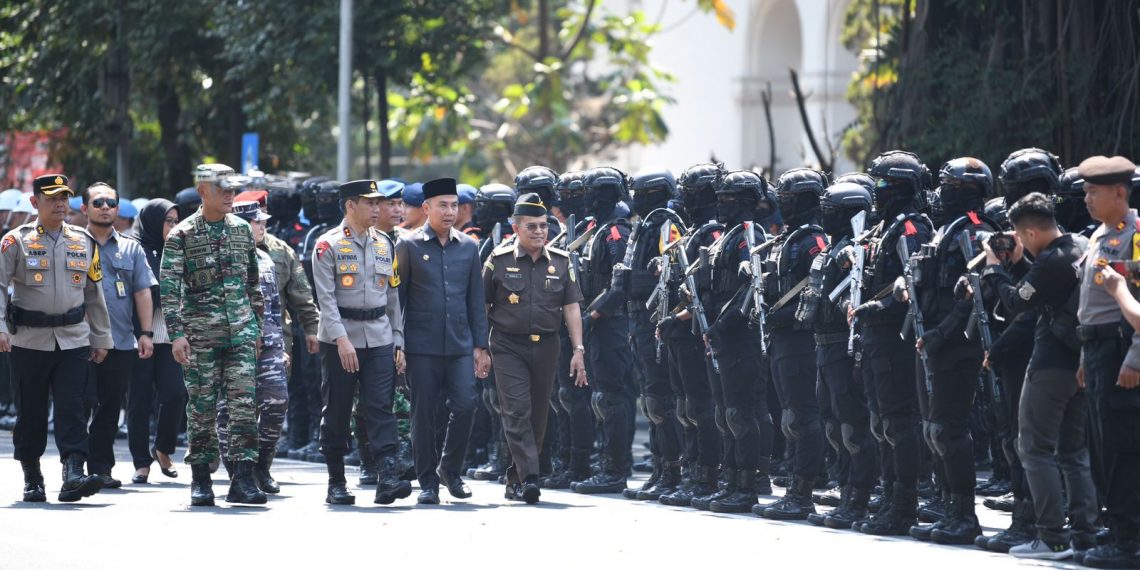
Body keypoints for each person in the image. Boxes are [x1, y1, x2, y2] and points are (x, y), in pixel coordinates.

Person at [980, 192, 1096, 561]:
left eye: (1018, 235)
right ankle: (1085, 535)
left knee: (1033, 447)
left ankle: (1053, 538)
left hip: (1050, 364)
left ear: (1029, 232)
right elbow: (1043, 291)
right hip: (1080, 361)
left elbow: (1017, 302)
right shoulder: (1080, 246)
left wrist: (994, 269)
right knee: (1073, 452)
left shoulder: (1050, 260)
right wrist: (1018, 263)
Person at [0, 174, 113, 503]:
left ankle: (73, 474)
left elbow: (94, 293)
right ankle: (32, 476)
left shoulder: (83, 241)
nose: (60, 204)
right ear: (35, 202)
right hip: (29, 341)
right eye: (52, 198)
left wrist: (101, 337)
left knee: (73, 407)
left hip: (73, 339)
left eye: (64, 198)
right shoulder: (15, 241)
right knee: (31, 412)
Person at [160, 163, 266, 507]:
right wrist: (177, 335)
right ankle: (201, 479)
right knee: (202, 409)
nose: (230, 195)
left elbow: (253, 283)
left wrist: (257, 328)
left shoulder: (241, 230)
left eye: (233, 188)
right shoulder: (182, 234)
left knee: (244, 407)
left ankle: (243, 479)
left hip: (241, 334)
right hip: (200, 337)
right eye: (223, 189)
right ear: (203, 191)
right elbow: (169, 289)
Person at [310, 180, 410, 506]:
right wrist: (341, 340)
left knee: (380, 406)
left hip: (379, 336)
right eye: (370, 203)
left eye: (379, 203)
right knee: (338, 408)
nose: (377, 209)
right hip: (341, 338)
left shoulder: (384, 243)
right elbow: (325, 300)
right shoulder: (328, 245)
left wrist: (397, 339)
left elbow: (392, 295)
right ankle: (336, 481)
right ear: (350, 205)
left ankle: (388, 477)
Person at [483, 193, 587, 503]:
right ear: (516, 228)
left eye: (543, 226)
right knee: (517, 410)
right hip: (507, 345)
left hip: (547, 346)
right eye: (532, 226)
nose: (540, 232)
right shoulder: (498, 260)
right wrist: (480, 348)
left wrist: (578, 350)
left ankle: (516, 477)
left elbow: (571, 307)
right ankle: (530, 476)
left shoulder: (561, 261)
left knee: (539, 414)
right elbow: (482, 305)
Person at [852, 151, 935, 536]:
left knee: (899, 423)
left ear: (901, 186)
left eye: (884, 183)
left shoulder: (911, 228)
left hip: (896, 338)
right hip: (875, 336)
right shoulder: (885, 227)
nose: (878, 190)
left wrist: (879, 306)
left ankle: (904, 505)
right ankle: (889, 498)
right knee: (881, 422)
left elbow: (914, 282)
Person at [395, 177, 490, 505]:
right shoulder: (408, 245)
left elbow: (475, 300)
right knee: (423, 414)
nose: (450, 212)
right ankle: (427, 482)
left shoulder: (469, 247)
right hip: (421, 346)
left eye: (454, 205)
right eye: (442, 206)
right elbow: (398, 299)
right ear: (426, 208)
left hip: (460, 344)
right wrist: (398, 344)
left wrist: (481, 346)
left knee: (466, 405)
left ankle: (449, 469)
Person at [1074, 155, 1140, 569]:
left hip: (1121, 350)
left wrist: (1135, 359)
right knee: (1101, 445)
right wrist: (1085, 357)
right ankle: (1116, 526)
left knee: (1122, 449)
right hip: (1097, 350)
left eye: (1093, 192)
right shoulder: (1099, 234)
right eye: (1085, 192)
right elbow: (1090, 307)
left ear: (1119, 192)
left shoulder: (1136, 235)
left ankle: (1127, 539)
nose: (1086, 199)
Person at [758, 168, 829, 520]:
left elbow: (819, 290)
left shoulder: (813, 240)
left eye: (787, 199)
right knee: (789, 417)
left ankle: (802, 493)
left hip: (800, 339)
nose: (781, 204)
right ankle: (793, 487)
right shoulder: (788, 238)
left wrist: (783, 315)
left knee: (802, 417)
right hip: (782, 338)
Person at [81, 182, 157, 489]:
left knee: (110, 407)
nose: (105, 208)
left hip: (120, 340)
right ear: (85, 208)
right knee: (78, 404)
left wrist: (146, 332)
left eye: (111, 203)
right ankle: (73, 467)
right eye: (98, 202)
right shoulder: (73, 244)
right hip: (78, 341)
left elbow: (142, 292)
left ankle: (100, 467)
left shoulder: (131, 248)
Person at [215, 198, 290, 495]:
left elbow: (274, 308)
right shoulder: (221, 257)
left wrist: (281, 346)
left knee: (277, 402)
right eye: (257, 221)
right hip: (233, 344)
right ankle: (236, 470)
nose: (263, 226)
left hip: (269, 344)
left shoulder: (265, 259)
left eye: (262, 221)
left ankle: (262, 466)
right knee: (229, 410)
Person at [573, 166, 636, 495]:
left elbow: (619, 285)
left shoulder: (616, 233)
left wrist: (591, 316)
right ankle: (606, 464)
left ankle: (615, 469)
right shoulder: (596, 230)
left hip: (611, 325)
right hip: (597, 324)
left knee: (611, 398)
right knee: (601, 398)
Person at [127, 199, 187, 484]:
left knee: (175, 394)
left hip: (171, 335)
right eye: (168, 221)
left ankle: (163, 448)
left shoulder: (179, 249)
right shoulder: (135, 249)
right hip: (140, 333)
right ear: (153, 222)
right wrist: (143, 331)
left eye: (176, 221)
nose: (173, 227)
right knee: (139, 400)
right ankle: (141, 462)